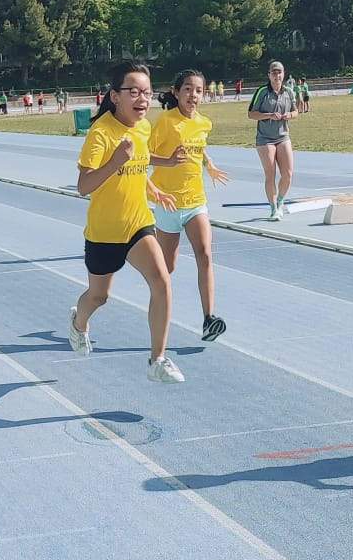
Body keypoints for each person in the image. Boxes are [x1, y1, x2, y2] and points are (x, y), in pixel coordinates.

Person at [69, 60, 185, 383]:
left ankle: (157, 360)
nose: (142, 99)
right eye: (133, 91)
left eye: (147, 92)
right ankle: (78, 323)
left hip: (137, 224)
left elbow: (141, 162)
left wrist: (153, 189)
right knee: (98, 296)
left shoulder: (144, 127)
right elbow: (83, 186)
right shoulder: (101, 133)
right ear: (115, 96)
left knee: (162, 280)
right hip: (104, 232)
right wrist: (115, 161)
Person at [149, 68, 230, 342]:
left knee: (205, 255)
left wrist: (210, 164)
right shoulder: (164, 122)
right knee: (166, 269)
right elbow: (142, 155)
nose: (193, 95)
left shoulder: (204, 123)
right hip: (168, 203)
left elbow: (198, 145)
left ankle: (209, 318)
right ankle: (159, 312)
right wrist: (168, 162)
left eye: (198, 90)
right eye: (188, 89)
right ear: (176, 92)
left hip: (196, 201)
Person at [247, 60, 298, 220]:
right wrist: (268, 115)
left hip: (283, 136)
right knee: (271, 174)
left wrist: (289, 115)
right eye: (274, 72)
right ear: (269, 75)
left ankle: (281, 201)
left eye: (279, 72)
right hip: (265, 139)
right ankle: (273, 207)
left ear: (284, 74)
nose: (277, 75)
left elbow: (296, 111)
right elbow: (251, 114)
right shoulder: (262, 91)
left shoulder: (289, 92)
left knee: (288, 174)